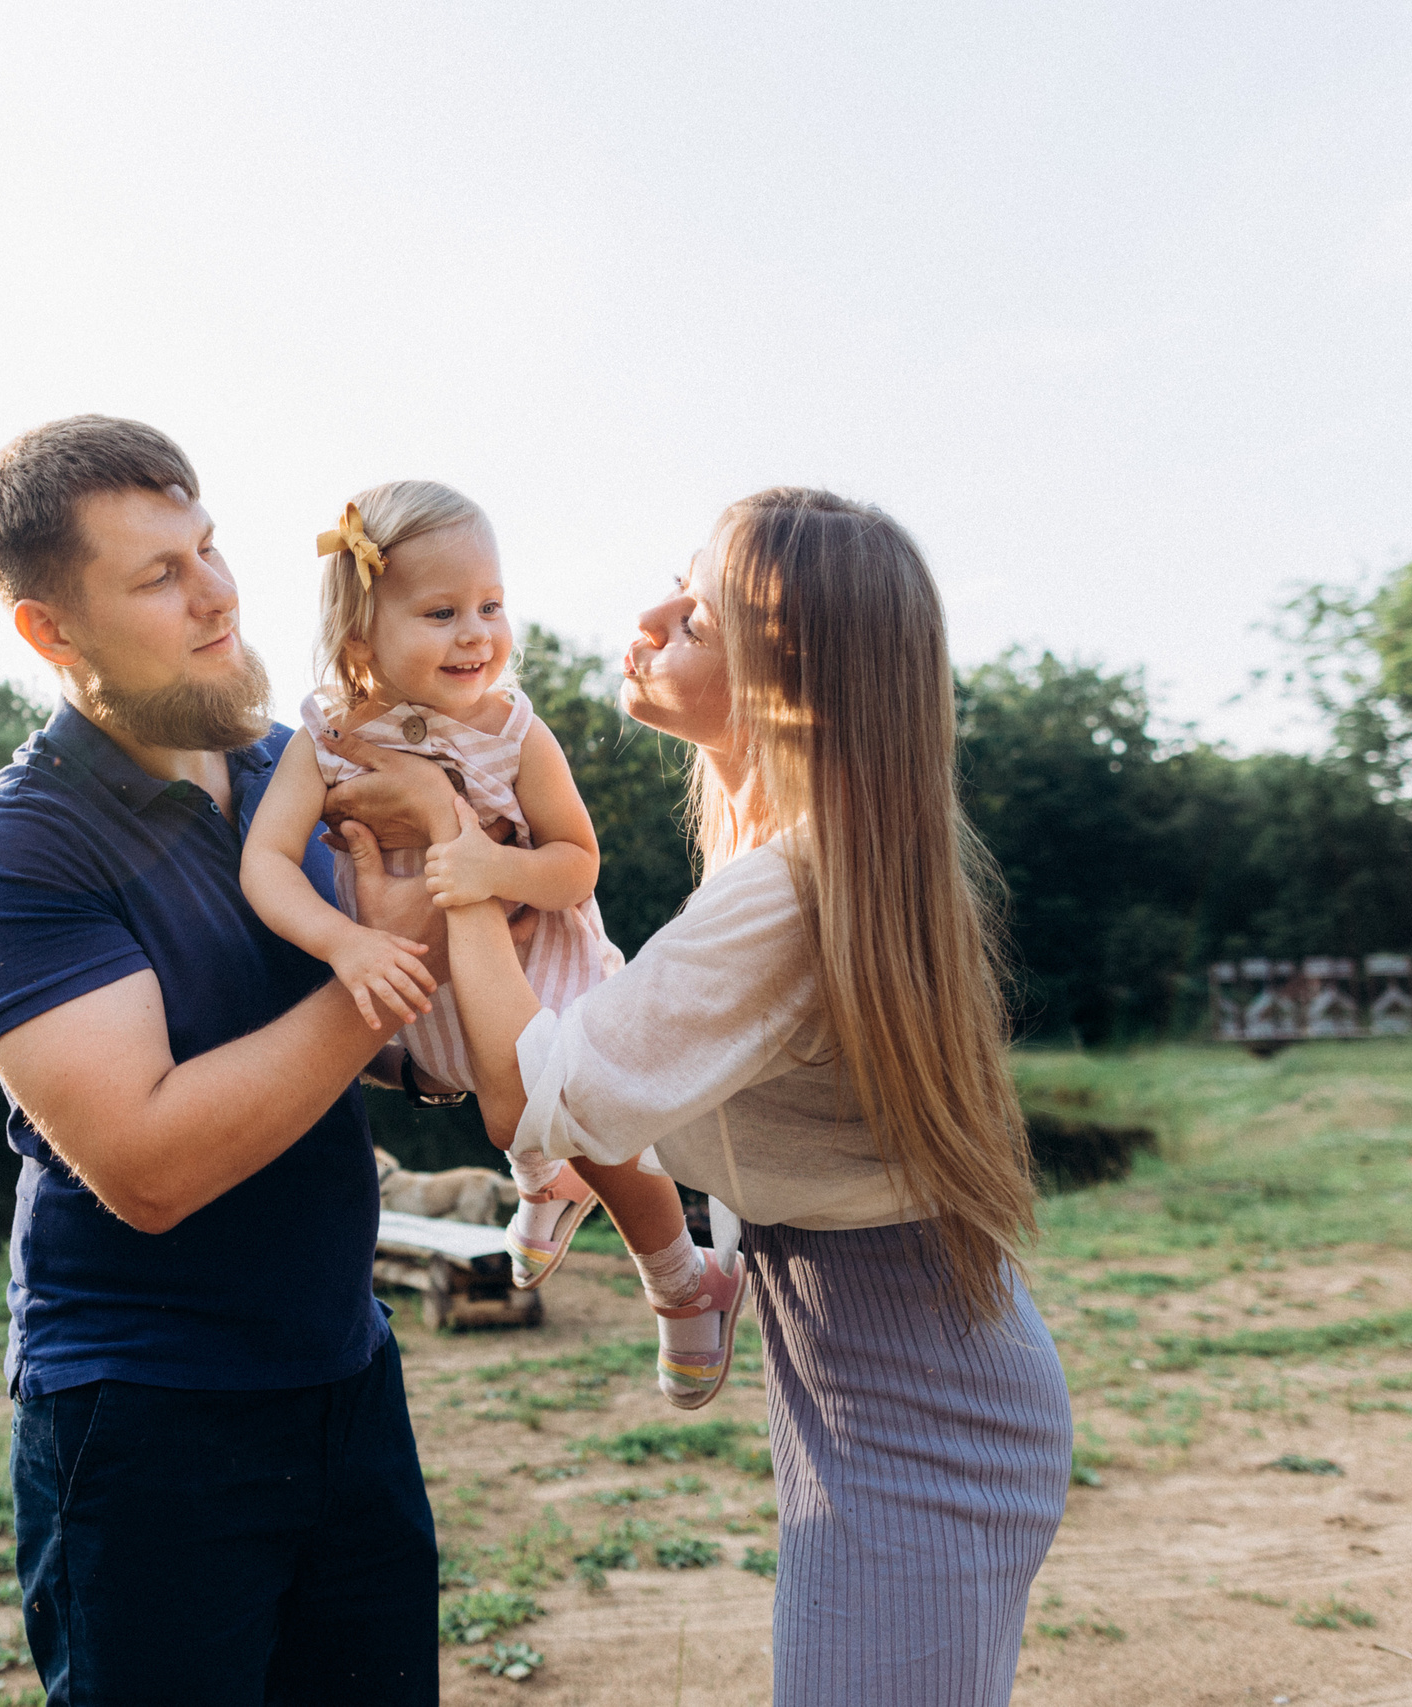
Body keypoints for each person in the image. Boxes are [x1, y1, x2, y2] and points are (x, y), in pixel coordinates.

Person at [417, 487, 1074, 1704]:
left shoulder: (785, 893)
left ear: (798, 684)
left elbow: (533, 1097)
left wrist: (456, 864)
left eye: (701, 620)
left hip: (912, 1400)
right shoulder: (789, 854)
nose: (652, 616)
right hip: (868, 1357)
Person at [0, 416, 439, 1704]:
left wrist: (472, 1032)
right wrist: (379, 983)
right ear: (53, 633)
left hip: (345, 1376)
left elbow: (352, 1039)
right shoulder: (20, 847)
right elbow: (149, 1162)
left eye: (207, 548)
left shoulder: (290, 774)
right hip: (145, 1416)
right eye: (158, 575)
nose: (216, 591)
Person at [238, 478, 746, 1408]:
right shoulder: (324, 736)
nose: (477, 632)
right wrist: (343, 943)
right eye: (441, 611)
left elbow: (575, 862)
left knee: (580, 1109)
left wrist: (485, 871)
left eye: (491, 605)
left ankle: (683, 1280)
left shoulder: (513, 731)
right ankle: (544, 1183)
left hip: (536, 956)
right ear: (362, 640)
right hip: (419, 979)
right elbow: (266, 863)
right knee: (499, 1097)